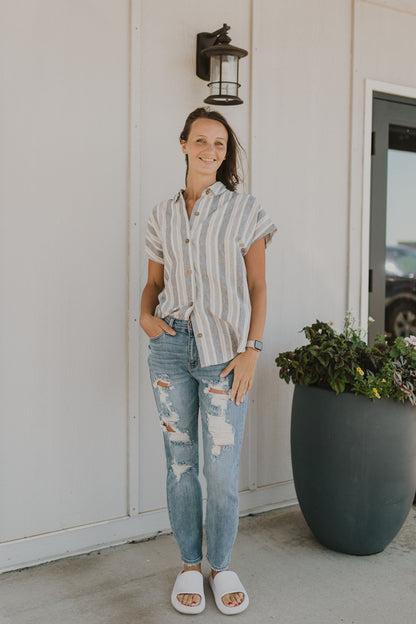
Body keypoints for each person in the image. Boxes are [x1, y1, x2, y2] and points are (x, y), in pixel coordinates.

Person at [140, 107, 276, 615]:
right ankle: (189, 565)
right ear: (183, 145)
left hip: (225, 355)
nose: (210, 151)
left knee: (221, 470)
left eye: (219, 144)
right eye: (201, 141)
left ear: (225, 151)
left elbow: (259, 286)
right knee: (181, 464)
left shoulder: (246, 210)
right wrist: (144, 316)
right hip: (170, 347)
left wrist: (251, 351)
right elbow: (155, 283)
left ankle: (221, 566)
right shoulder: (162, 214)